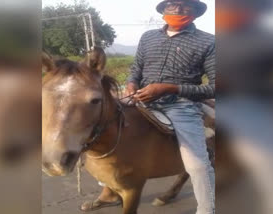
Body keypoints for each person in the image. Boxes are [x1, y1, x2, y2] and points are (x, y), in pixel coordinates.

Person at [81, 1, 215, 213]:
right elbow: (136, 68)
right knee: (103, 125)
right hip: (140, 97)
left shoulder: (208, 41)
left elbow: (215, 87)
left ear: (196, 13)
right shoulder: (148, 37)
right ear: (164, 10)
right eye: (172, 4)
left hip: (181, 105)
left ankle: (207, 209)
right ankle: (108, 193)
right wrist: (132, 83)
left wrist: (169, 88)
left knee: (198, 165)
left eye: (185, 6)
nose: (178, 9)